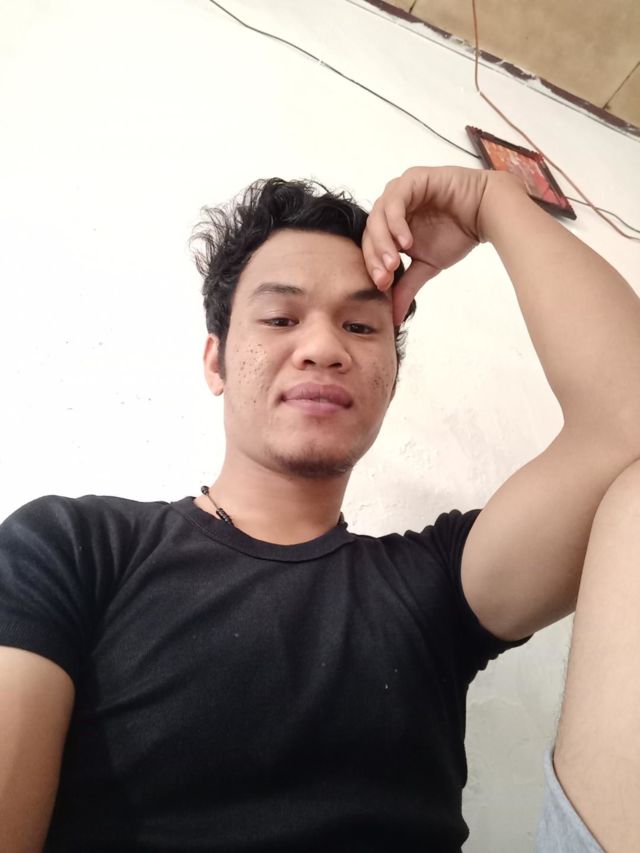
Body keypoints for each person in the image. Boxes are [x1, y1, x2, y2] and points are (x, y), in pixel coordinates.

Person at [1, 165, 639, 851]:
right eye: (281, 318)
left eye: (361, 326)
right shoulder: (74, 546)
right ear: (215, 361)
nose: (324, 349)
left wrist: (493, 201)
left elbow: (626, 423)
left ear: (389, 382)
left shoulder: (438, 585)